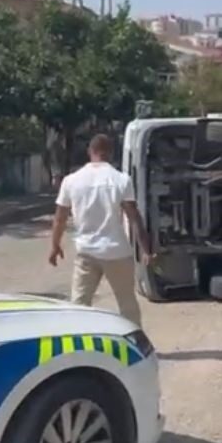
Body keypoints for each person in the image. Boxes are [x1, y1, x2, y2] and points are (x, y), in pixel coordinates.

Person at [49, 134, 151, 326]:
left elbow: (60, 217)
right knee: (127, 303)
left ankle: (80, 345)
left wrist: (55, 245)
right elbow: (134, 216)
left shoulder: (71, 181)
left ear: (90, 152)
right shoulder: (121, 179)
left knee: (79, 304)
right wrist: (146, 249)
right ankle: (135, 344)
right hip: (117, 252)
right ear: (111, 153)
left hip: (86, 252)